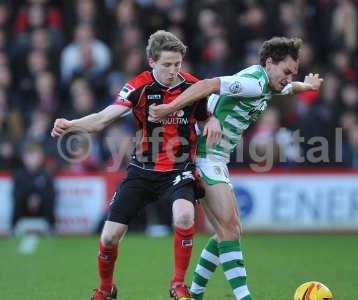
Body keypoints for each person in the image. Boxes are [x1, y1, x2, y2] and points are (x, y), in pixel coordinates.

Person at [149, 37, 324, 300]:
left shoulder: (270, 82)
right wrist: (171, 109)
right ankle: (243, 297)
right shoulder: (253, 83)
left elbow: (288, 89)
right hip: (204, 154)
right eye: (287, 71)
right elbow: (209, 84)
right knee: (228, 229)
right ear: (269, 63)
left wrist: (306, 86)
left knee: (227, 230)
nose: (289, 78)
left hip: (216, 157)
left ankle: (195, 294)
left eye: (293, 73)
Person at [51, 30, 221, 300]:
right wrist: (71, 125)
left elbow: (207, 115)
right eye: (167, 65)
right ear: (152, 62)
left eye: (177, 64)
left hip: (179, 169)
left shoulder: (191, 86)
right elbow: (103, 119)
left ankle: (178, 284)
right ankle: (106, 288)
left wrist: (212, 121)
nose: (173, 71)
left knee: (185, 217)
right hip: (142, 170)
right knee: (108, 238)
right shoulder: (138, 87)